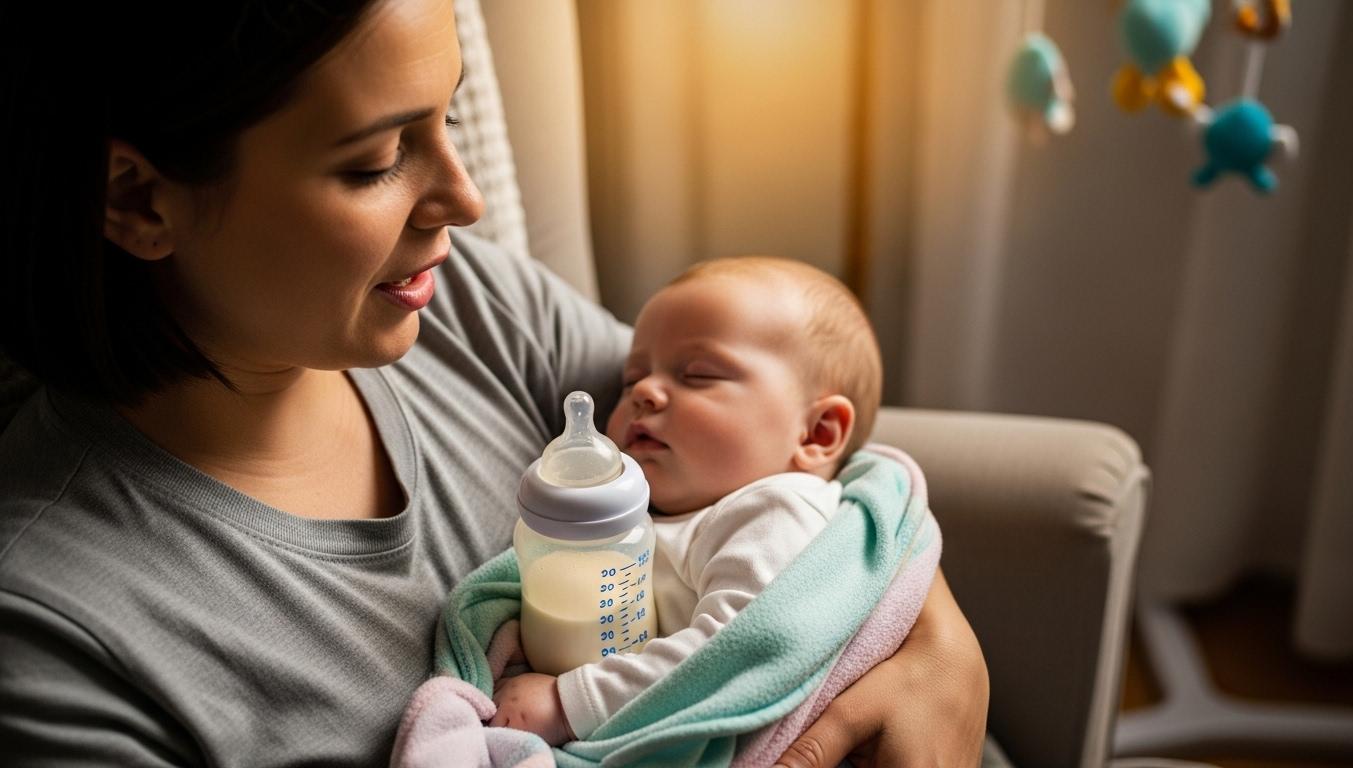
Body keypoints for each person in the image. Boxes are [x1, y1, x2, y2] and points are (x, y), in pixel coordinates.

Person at [0, 1, 988, 766]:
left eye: (450, 117)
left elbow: (781, 460)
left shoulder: (458, 301)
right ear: (137, 198)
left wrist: (945, 652)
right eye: (378, 159)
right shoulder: (58, 639)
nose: (465, 200)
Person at [488, 256, 885, 746]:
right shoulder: (684, 509)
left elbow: (732, 652)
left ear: (817, 433)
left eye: (698, 374)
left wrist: (568, 704)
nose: (644, 391)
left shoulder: (774, 511)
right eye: (631, 379)